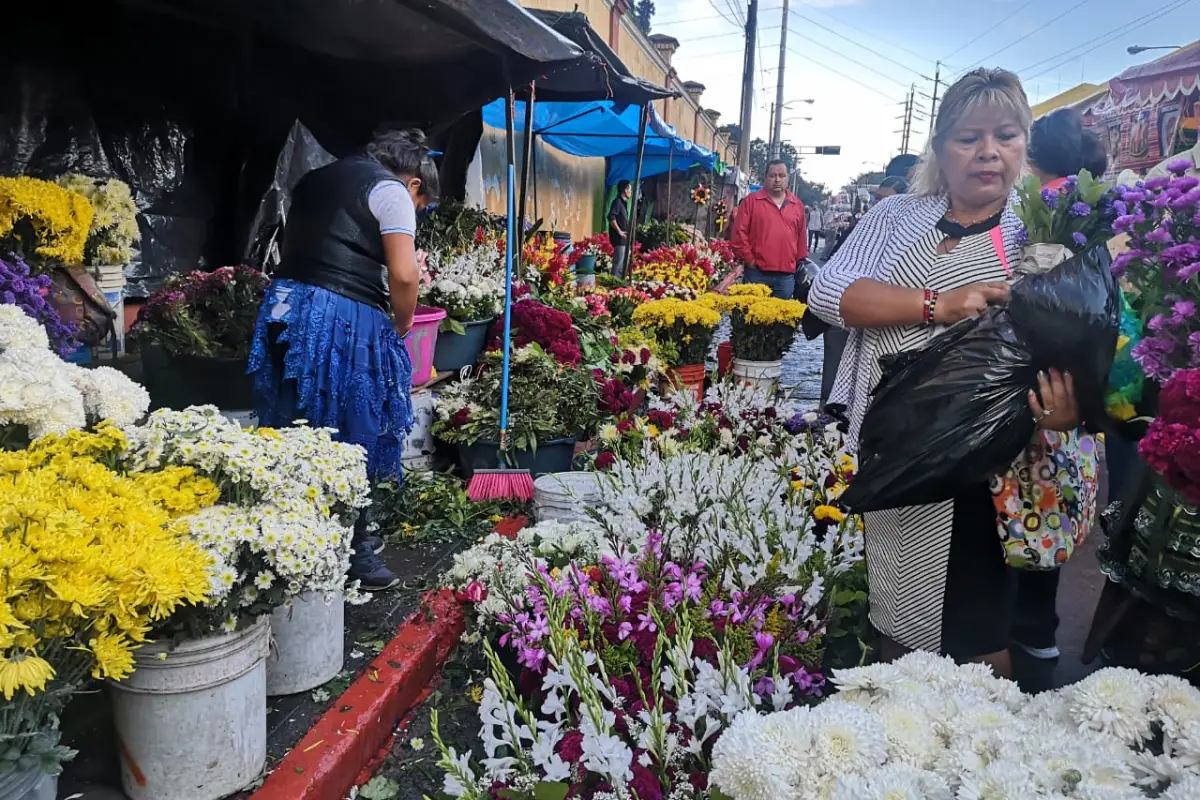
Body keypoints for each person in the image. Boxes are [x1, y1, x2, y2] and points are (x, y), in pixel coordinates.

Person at [809, 68, 1080, 678]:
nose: (988, 152)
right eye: (968, 137)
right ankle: (901, 742)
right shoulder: (897, 216)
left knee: (974, 640)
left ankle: (968, 752)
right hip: (891, 450)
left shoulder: (1037, 233)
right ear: (939, 147)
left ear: (1024, 143)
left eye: (1006, 135)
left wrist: (1072, 409)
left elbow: (1081, 348)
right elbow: (828, 291)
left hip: (981, 465)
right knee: (895, 611)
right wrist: (939, 303)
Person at [247, 127, 439, 591]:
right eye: (423, 206)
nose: (417, 212)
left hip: (285, 306)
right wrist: (402, 322)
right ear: (415, 184)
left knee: (294, 423)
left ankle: (286, 543)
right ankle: (357, 553)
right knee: (354, 429)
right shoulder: (391, 191)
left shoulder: (315, 178)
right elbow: (405, 274)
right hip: (341, 316)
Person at [1009, 107, 1108, 691]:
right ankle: (1036, 630)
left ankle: (1022, 632)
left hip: (1036, 399)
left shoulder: (1042, 224)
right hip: (1068, 406)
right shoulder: (1095, 225)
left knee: (1018, 510)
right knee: (1042, 511)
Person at [731, 159, 809, 298]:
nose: (777, 180)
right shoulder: (751, 201)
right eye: (772, 176)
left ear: (787, 178)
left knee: (782, 318)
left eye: (781, 175)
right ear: (765, 178)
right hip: (757, 273)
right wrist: (750, 260)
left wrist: (798, 263)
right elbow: (739, 233)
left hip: (786, 277)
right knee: (753, 317)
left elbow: (801, 237)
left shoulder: (797, 205)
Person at [608, 180, 632, 278]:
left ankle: (620, 286)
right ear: (625, 190)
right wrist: (619, 232)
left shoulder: (623, 203)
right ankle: (614, 286)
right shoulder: (617, 202)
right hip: (619, 239)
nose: (631, 192)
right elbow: (611, 217)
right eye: (630, 189)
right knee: (618, 265)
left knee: (623, 264)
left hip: (624, 240)